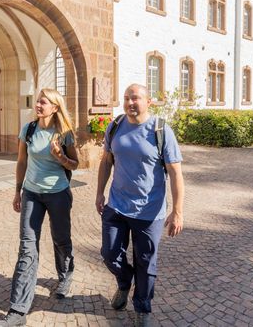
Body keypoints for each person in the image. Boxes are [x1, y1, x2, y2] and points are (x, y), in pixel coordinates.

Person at [96, 84, 185, 327]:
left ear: (148, 102)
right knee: (109, 254)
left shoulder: (161, 130)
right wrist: (99, 193)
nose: (130, 103)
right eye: (126, 98)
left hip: (149, 211)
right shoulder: (115, 126)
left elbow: (175, 173)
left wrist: (177, 211)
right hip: (116, 205)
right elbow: (106, 162)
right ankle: (125, 282)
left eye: (135, 98)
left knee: (146, 263)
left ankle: (142, 308)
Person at [0, 88, 79, 327]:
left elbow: (75, 164)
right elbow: (21, 161)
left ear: (55, 107)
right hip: (31, 194)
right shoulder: (28, 129)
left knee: (61, 239)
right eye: (38, 101)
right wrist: (17, 191)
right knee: (27, 248)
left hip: (58, 194)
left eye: (44, 101)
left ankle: (65, 276)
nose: (38, 104)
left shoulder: (64, 133)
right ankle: (18, 311)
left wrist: (60, 157)